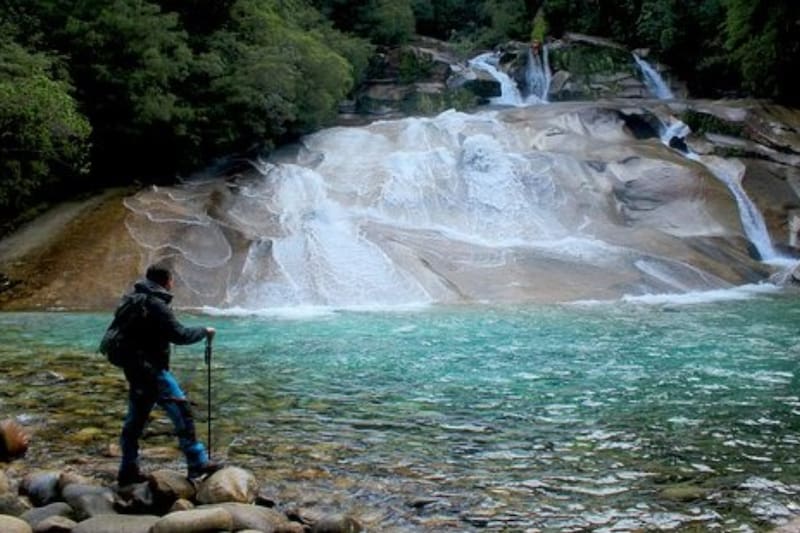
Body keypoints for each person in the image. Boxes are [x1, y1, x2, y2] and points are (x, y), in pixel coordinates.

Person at [115, 263, 221, 485]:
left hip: (134, 368)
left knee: (135, 420)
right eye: (172, 279)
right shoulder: (156, 304)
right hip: (153, 370)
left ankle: (127, 470)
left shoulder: (133, 300)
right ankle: (197, 462)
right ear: (166, 281)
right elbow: (179, 334)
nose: (173, 283)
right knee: (182, 411)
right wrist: (204, 331)